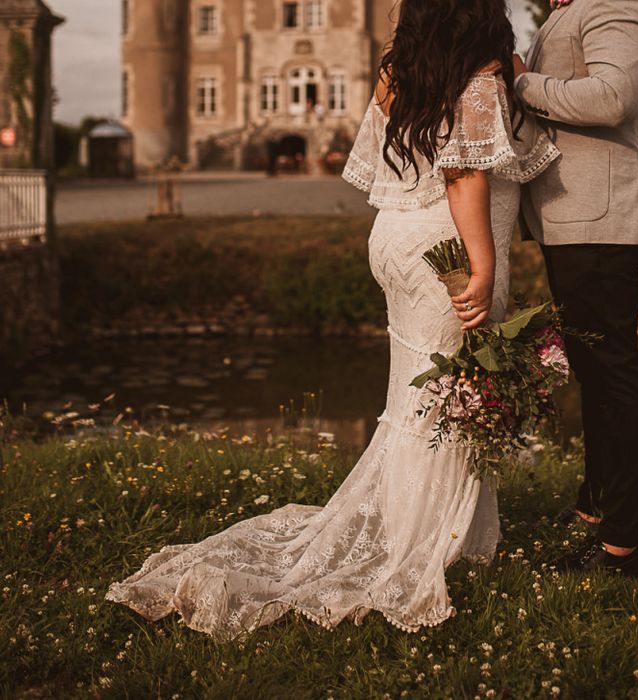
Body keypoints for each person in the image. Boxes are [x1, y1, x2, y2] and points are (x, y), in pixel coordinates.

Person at [105, 0, 558, 638]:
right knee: (447, 398)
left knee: (413, 399)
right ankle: (434, 543)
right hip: (452, 247)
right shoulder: (480, 71)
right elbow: (462, 171)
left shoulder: (403, 67)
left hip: (397, 241)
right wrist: (482, 268)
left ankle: (425, 527)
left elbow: (382, 157)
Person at [514, 0, 638, 577]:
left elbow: (611, 98)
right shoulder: (575, 8)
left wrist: (520, 82)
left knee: (613, 374)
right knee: (593, 369)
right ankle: (594, 508)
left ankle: (620, 547)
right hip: (573, 220)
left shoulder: (618, 3)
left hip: (601, 220)